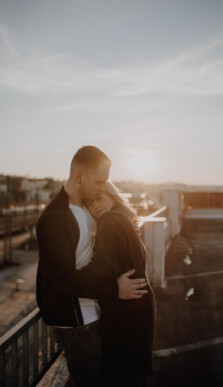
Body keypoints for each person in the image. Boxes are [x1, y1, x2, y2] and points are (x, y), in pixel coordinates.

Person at [36, 146, 148, 387]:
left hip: (95, 313)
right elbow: (62, 280)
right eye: (99, 182)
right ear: (79, 177)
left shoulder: (88, 208)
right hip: (77, 323)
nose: (102, 188)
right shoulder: (53, 219)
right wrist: (114, 289)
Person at [87, 181, 156, 387]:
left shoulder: (109, 220)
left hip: (125, 313)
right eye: (89, 203)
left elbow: (103, 270)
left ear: (112, 195)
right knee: (134, 375)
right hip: (139, 307)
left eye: (98, 198)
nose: (95, 206)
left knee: (120, 374)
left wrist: (72, 277)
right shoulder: (123, 218)